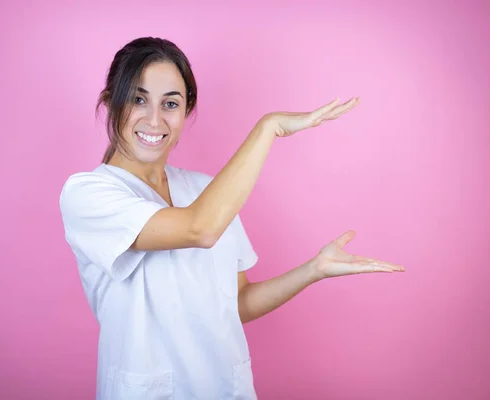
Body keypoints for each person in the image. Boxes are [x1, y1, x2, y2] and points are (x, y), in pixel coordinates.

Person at [59, 37, 404, 400]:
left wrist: (314, 269)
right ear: (111, 100)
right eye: (138, 99)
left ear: (186, 110)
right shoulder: (88, 194)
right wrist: (268, 128)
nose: (155, 118)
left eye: (171, 103)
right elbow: (200, 228)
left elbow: (237, 302)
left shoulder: (206, 191)